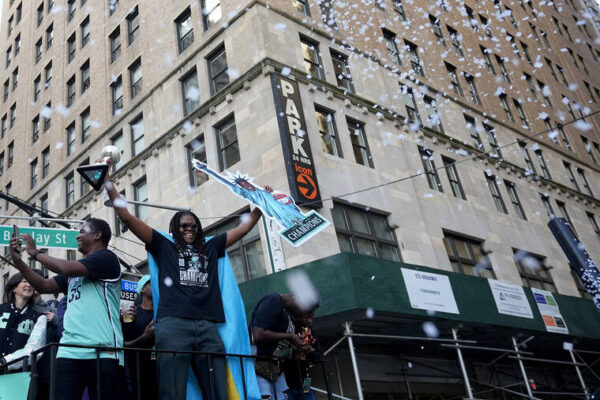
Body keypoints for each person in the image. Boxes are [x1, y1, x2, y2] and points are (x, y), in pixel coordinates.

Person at [104, 169, 268, 400]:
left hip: (207, 326)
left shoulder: (210, 247)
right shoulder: (163, 245)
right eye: (184, 226)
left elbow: (243, 229)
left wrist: (261, 206)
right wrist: (109, 183)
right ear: (175, 229)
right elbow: (128, 218)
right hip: (173, 325)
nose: (189, 229)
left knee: (217, 390)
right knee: (173, 390)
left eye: (193, 226)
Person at [9, 218, 123, 400]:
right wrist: (19, 263)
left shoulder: (107, 258)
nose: (77, 235)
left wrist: (34, 252)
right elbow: (45, 285)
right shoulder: (76, 271)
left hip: (102, 349)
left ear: (97, 235)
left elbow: (65, 267)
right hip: (69, 349)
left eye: (82, 231)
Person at [193, 160, 305, 228]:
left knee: (297, 216)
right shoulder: (246, 193)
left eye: (245, 182)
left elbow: (275, 197)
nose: (245, 184)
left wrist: (270, 192)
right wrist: (205, 169)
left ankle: (302, 222)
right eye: (242, 184)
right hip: (276, 211)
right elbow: (224, 181)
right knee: (289, 222)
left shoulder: (261, 190)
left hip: (282, 206)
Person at [250, 293, 319, 400]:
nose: (302, 315)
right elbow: (259, 334)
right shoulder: (273, 300)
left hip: (275, 366)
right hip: (260, 361)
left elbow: (279, 343)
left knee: (282, 397)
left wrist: (296, 350)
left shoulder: (286, 311)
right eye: (304, 310)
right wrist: (291, 336)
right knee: (265, 396)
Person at [0, 273, 47, 370]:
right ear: (14, 288)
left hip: (18, 377)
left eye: (31, 283)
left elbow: (34, 349)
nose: (28, 285)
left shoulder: (39, 318)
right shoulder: (1, 310)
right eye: (24, 281)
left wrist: (4, 361)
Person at [121, 275, 157, 400]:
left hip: (159, 375)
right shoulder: (130, 313)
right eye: (151, 283)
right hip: (135, 375)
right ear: (142, 289)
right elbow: (121, 344)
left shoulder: (162, 314)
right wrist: (144, 337)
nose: (156, 285)